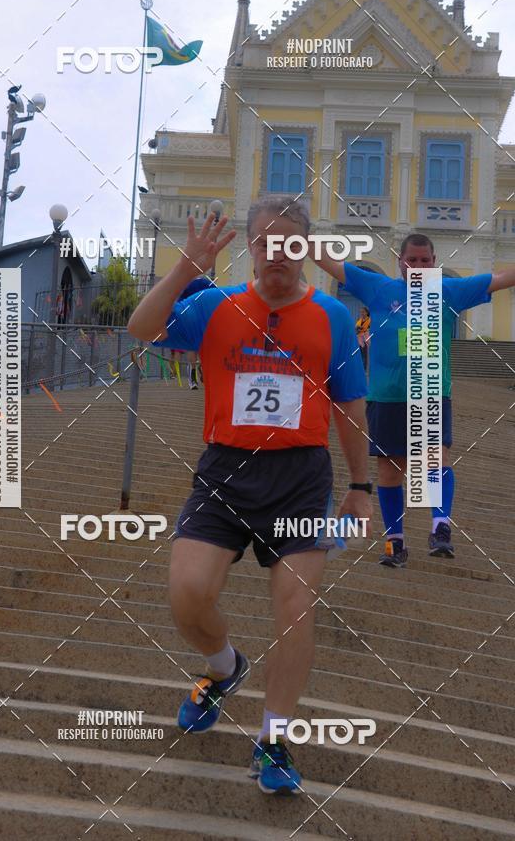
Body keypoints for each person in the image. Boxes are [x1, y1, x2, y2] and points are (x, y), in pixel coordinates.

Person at [128, 196, 372, 795]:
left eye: (290, 243)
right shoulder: (217, 305)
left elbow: (349, 405)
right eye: (266, 242)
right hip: (225, 473)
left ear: (306, 249)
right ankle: (224, 668)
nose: (277, 254)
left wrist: (361, 486)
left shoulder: (332, 318)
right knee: (188, 595)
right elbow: (139, 328)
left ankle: (274, 740)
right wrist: (185, 270)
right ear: (252, 247)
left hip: (300, 478)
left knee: (295, 608)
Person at [311, 233, 515, 567]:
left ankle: (440, 527)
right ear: (400, 262)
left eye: (425, 260)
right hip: (386, 397)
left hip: (431, 393)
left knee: (436, 458)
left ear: (434, 263)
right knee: (390, 469)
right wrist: (296, 238)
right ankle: (395, 542)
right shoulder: (378, 287)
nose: (418, 266)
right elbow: (330, 263)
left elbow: (501, 278)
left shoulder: (448, 290)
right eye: (412, 260)